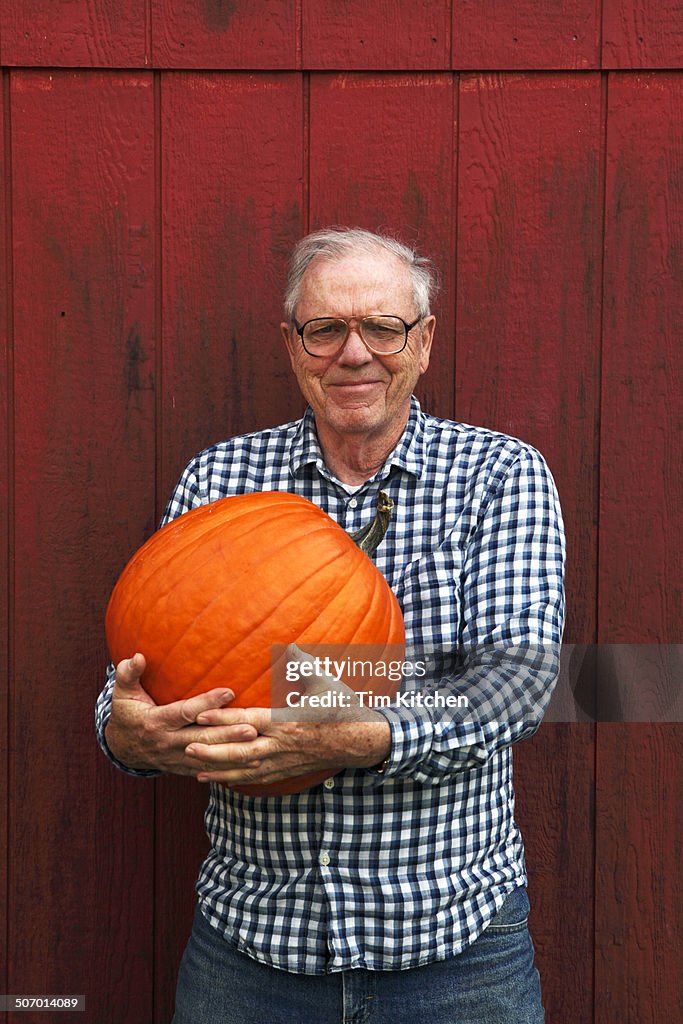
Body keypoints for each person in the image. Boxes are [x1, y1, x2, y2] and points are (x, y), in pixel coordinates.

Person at [96, 227, 565, 1024]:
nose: (354, 354)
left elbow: (515, 679)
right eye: (325, 329)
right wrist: (125, 735)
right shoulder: (221, 479)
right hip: (249, 952)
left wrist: (354, 731)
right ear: (292, 344)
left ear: (423, 342)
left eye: (382, 327)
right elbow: (147, 665)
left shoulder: (499, 475)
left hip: (452, 953)